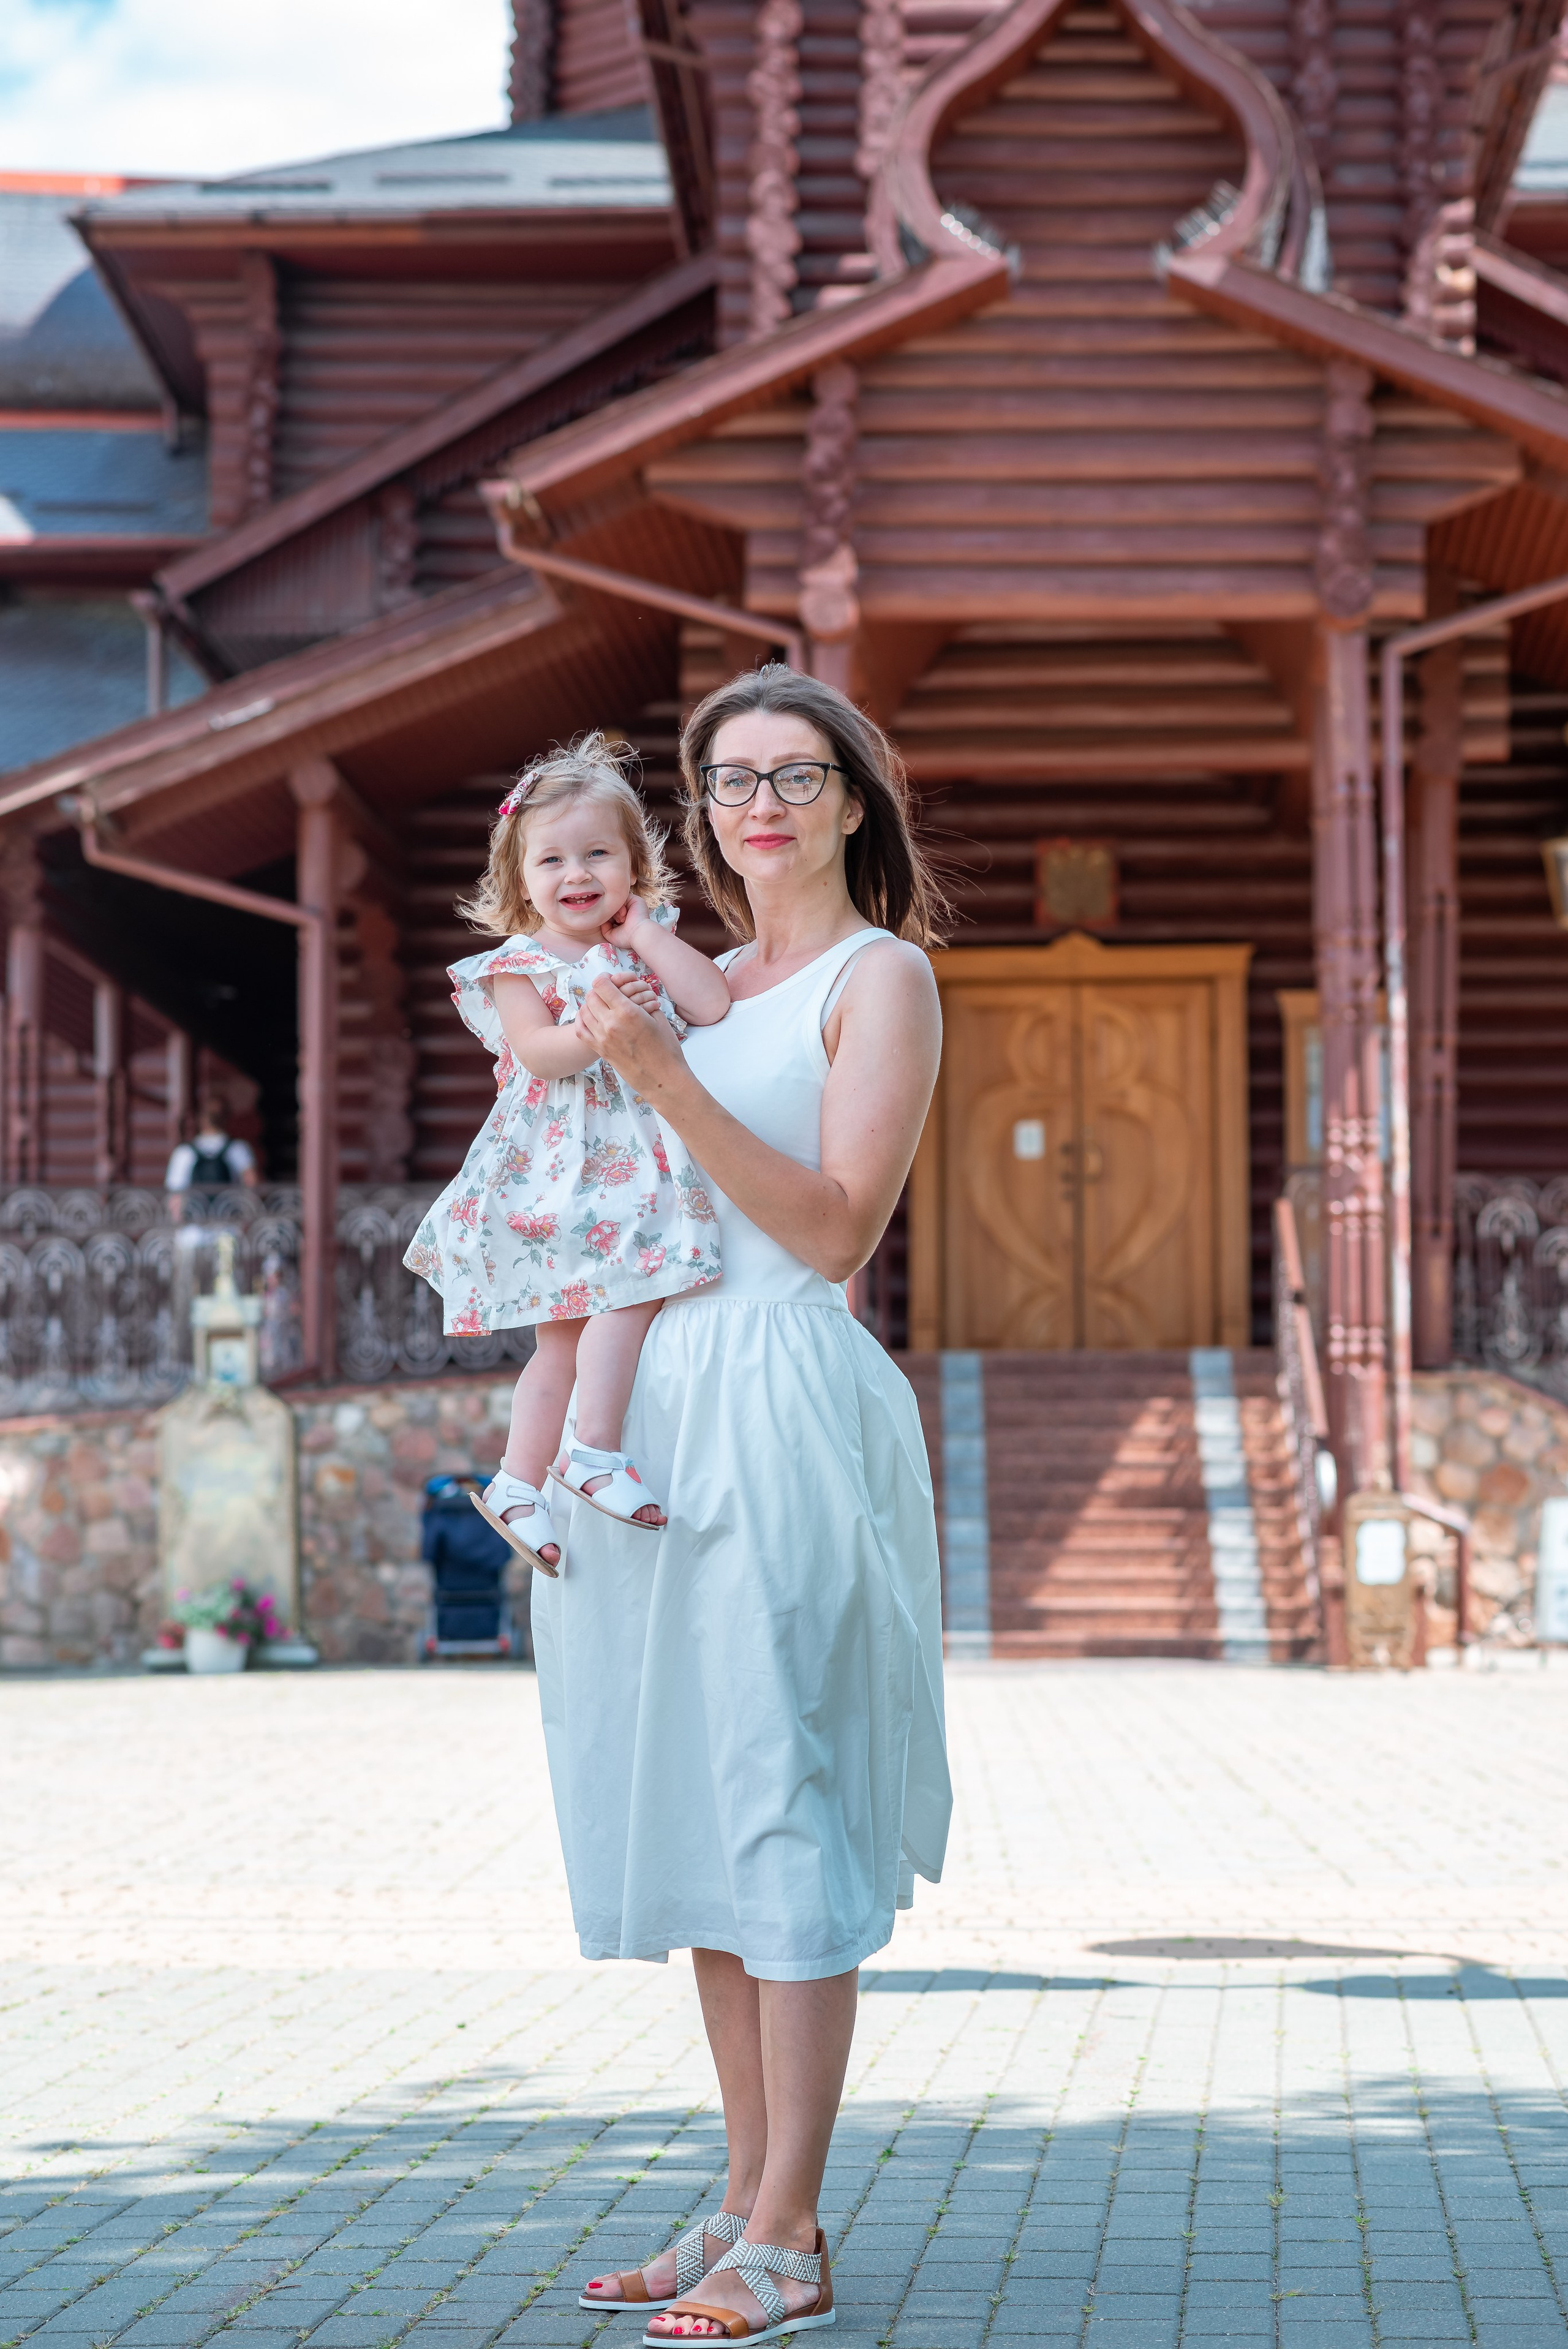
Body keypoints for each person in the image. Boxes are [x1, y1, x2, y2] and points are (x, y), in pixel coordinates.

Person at [540, 666, 951, 2346]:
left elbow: (839, 1225)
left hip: (781, 1392)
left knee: (777, 1790)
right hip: (652, 1414)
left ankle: (791, 2231)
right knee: (703, 1812)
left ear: (854, 797)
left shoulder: (879, 978)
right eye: (726, 781)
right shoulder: (698, 982)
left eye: (793, 774)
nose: (757, 803)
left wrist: (663, 1078)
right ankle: (736, 2193)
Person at [402, 734, 732, 1576]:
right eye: (551, 858)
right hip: (560, 1170)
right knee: (581, 1327)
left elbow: (712, 1001)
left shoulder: (639, 948)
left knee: (630, 1298)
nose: (575, 872)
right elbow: (540, 1054)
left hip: (631, 1167)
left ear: (632, 865)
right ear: (519, 879)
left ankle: (534, 1475)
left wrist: (647, 941)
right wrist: (598, 1020)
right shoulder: (516, 965)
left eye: (597, 853)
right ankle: (569, 1459)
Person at [164, 1093, 257, 1223]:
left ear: (201, 1119)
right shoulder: (238, 1149)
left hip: (194, 1229)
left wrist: (179, 1226)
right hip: (227, 1226)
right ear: (227, 1118)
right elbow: (252, 1186)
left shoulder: (184, 1152)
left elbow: (175, 1195)